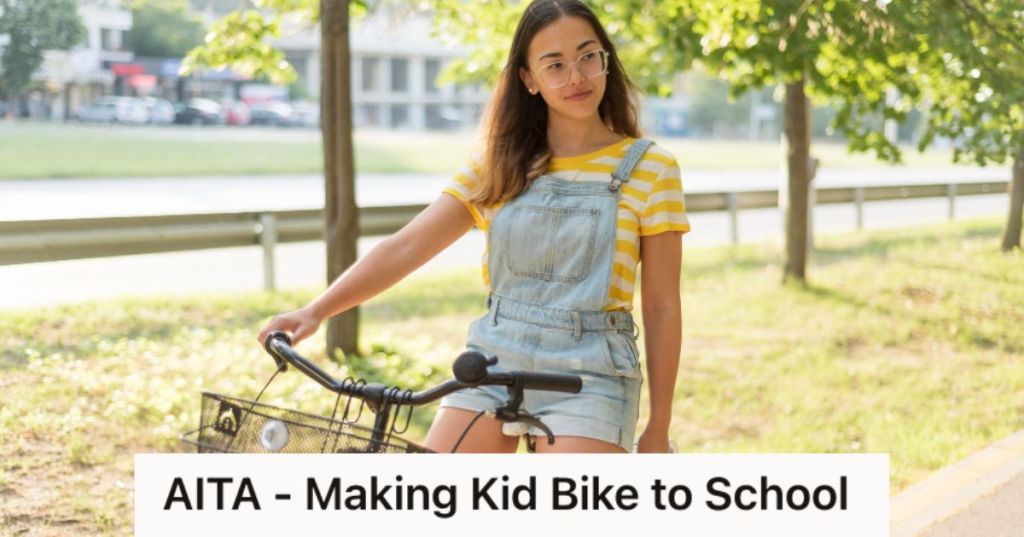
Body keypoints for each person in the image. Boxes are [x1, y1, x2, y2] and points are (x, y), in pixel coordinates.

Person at [257, 0, 689, 454]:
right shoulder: (501, 164)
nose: (577, 76)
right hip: (493, 359)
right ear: (530, 79)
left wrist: (658, 426)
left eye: (587, 56)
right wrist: (315, 311)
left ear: (606, 59)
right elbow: (407, 246)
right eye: (555, 65)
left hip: (593, 373)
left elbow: (661, 305)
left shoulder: (650, 169)